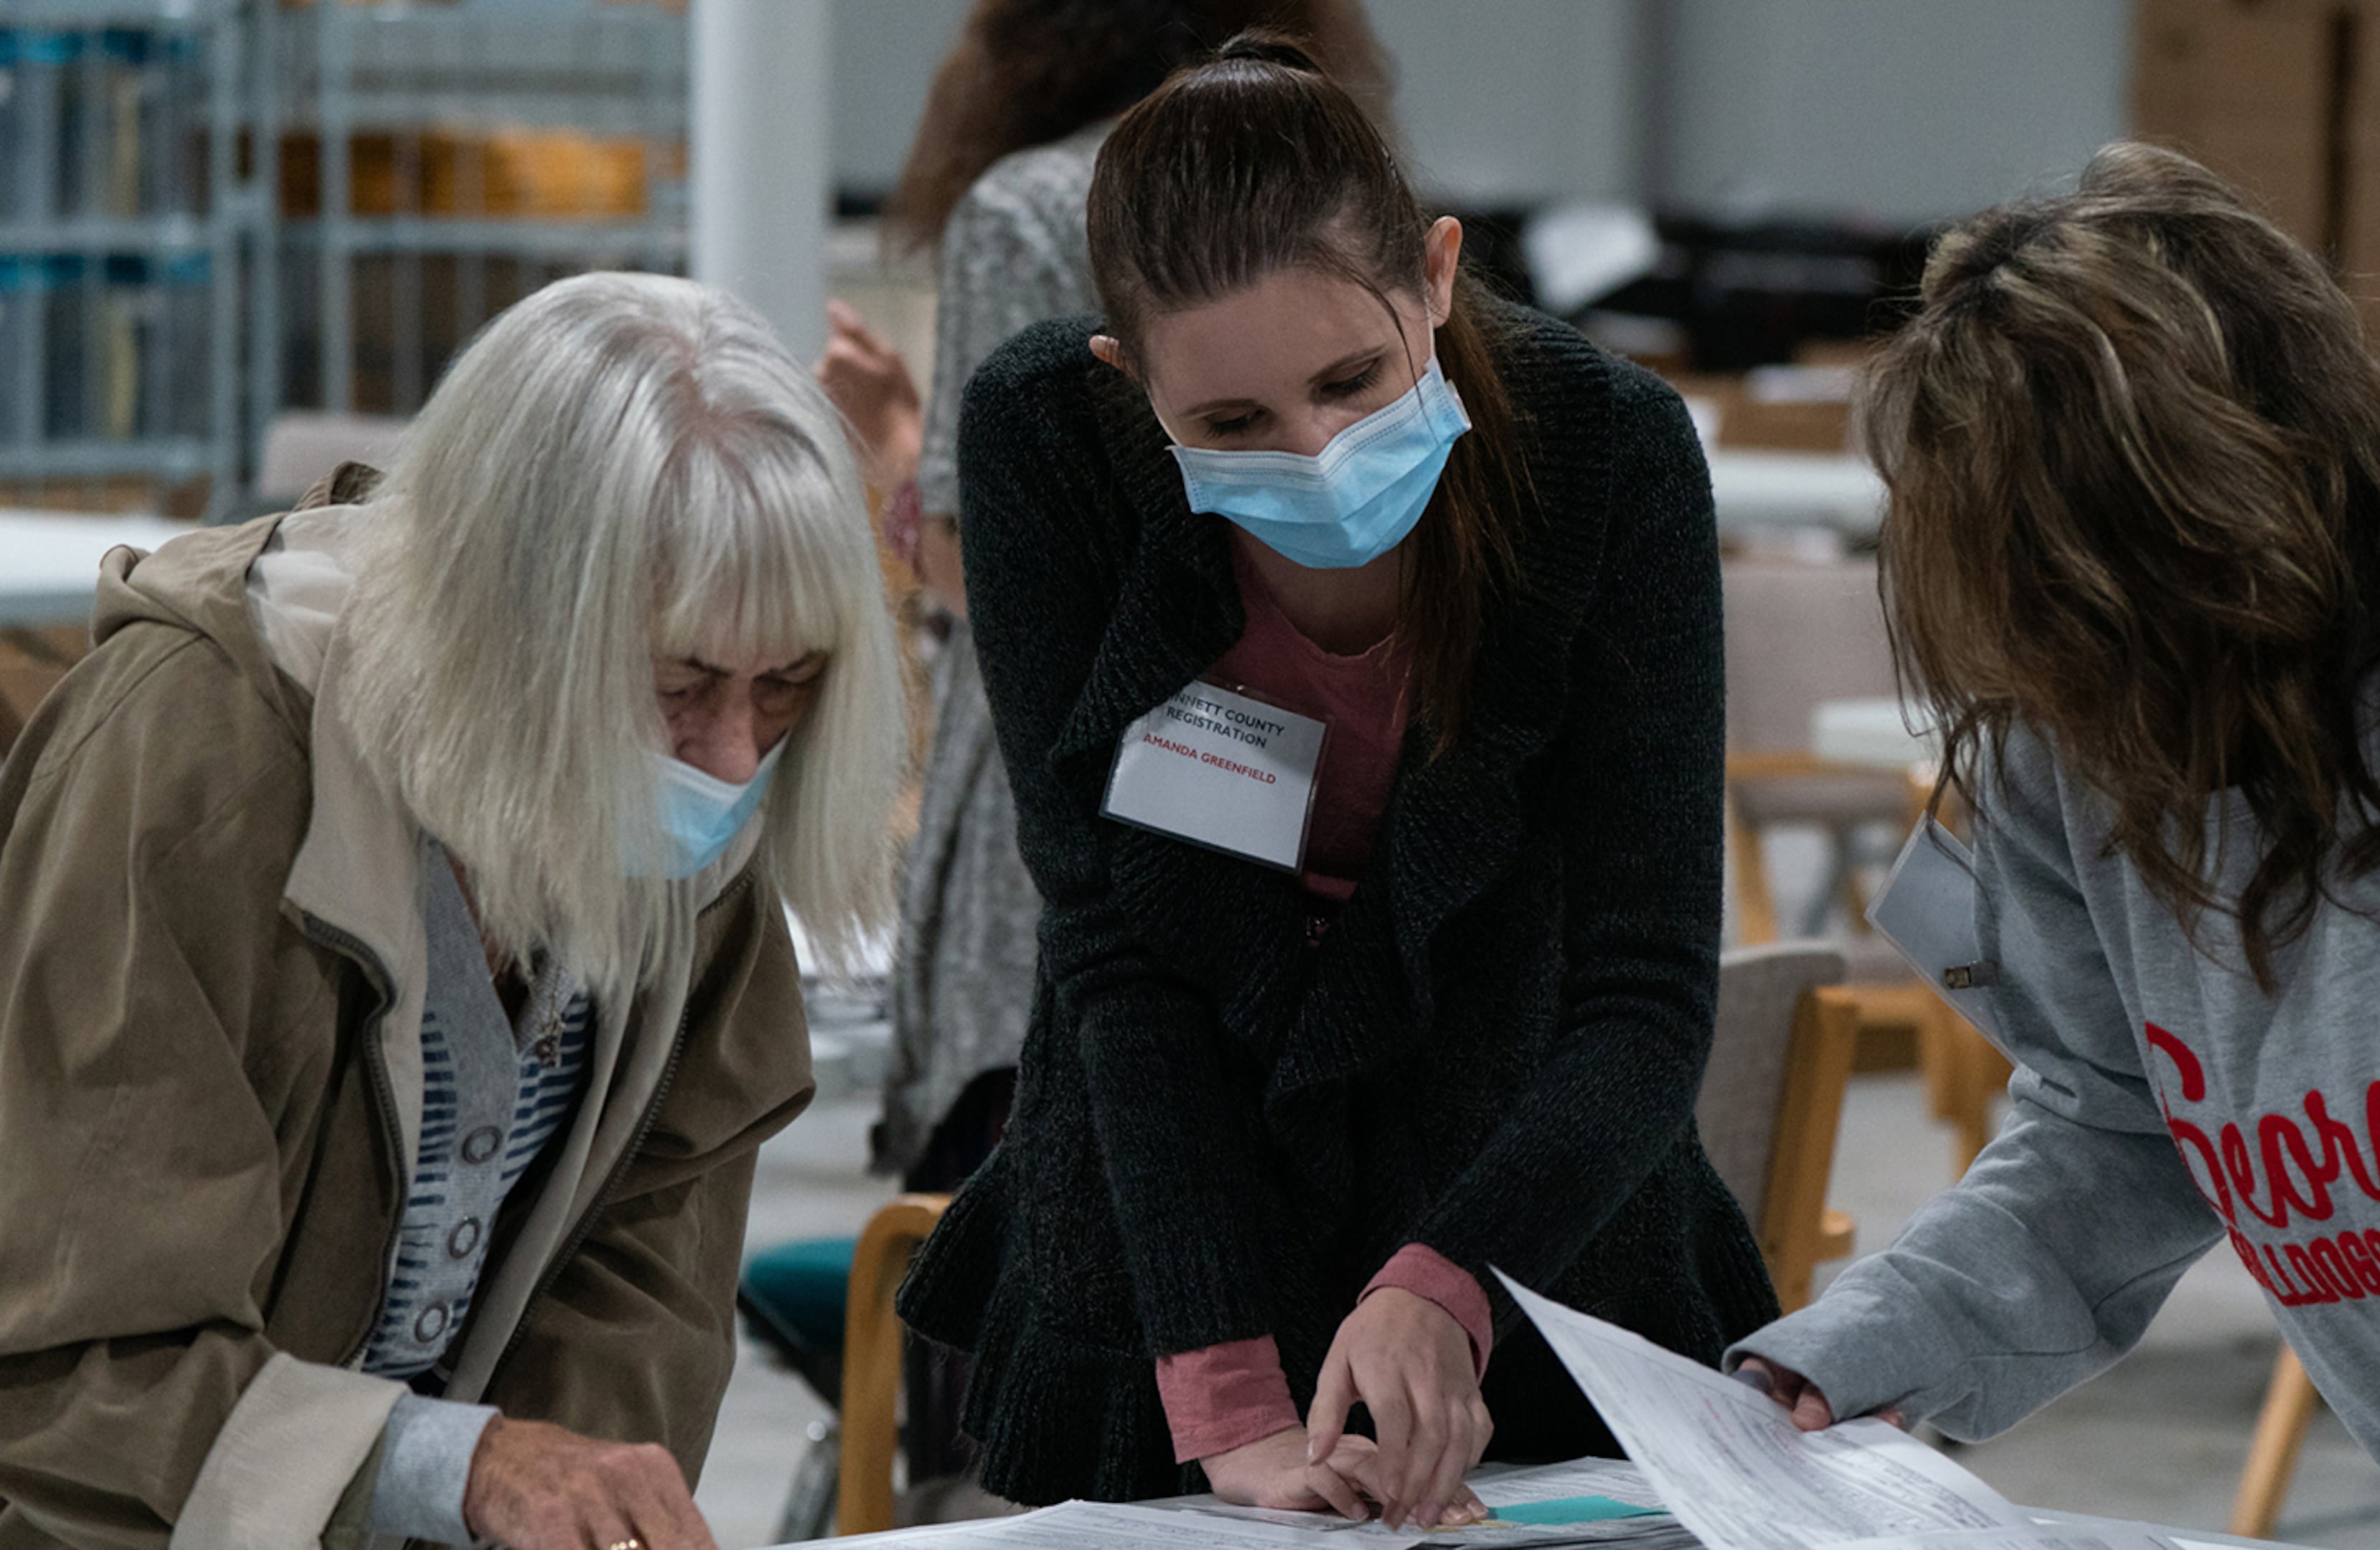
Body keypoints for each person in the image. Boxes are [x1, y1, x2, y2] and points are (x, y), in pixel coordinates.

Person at [1729, 143, 2380, 1550]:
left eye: (2125, 619)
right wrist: (1860, 1348)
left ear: (2248, 509)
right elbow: (2114, 1121)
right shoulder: (2063, 704)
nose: (2098, 713)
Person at [895, 34, 1779, 1531]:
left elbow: (1641, 990)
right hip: (1172, 1267)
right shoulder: (1054, 446)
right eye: (1233, 425)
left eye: (1354, 380)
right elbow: (1119, 960)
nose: (1316, 453)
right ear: (1130, 386)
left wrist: (1453, 1281)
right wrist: (1230, 1399)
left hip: (1538, 1245)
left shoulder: (1604, 454)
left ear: (1435, 276)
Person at [0, 271, 906, 1550]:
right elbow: (75, 1358)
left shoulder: (700, 814)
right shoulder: (199, 761)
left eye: (789, 686)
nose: (729, 756)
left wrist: (562, 1498)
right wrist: (459, 1468)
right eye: (678, 683)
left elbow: (644, 1276)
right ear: (516, 626)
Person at [830, 0, 1387, 1236]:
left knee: (1034, 1308)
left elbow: (1012, 573)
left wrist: (904, 457)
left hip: (1081, 815)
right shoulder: (1318, 178)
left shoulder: (1032, 206)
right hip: (1290, 790)